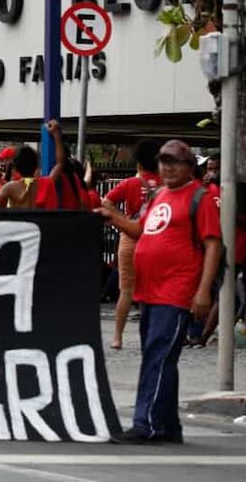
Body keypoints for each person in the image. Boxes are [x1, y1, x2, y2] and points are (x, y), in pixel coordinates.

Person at [97, 139, 221, 444]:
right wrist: (113, 217)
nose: (166, 167)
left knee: (158, 356)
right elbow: (141, 231)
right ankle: (166, 425)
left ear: (189, 167)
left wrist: (203, 291)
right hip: (149, 291)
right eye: (163, 161)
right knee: (160, 357)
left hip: (176, 291)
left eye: (174, 162)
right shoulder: (158, 195)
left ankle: (147, 424)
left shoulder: (200, 198)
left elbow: (213, 244)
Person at [103, 139, 162, 350]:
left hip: (130, 237)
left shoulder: (130, 184)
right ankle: (150, 336)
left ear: (138, 163)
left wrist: (121, 221)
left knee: (126, 290)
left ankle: (117, 337)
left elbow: (105, 203)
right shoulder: (166, 186)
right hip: (156, 238)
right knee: (155, 289)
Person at [0, 121, 65, 209]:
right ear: (36, 166)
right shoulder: (47, 183)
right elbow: (60, 163)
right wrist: (57, 135)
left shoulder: (10, 187)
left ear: (15, 168)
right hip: (45, 222)